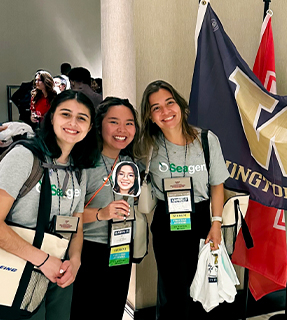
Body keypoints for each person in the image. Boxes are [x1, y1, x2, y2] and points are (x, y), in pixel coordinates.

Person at [0, 90, 100, 320]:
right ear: (52, 117)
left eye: (82, 118)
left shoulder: (79, 168)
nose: (73, 123)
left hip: (58, 274)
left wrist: (75, 261)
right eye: (66, 114)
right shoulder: (24, 156)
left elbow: (76, 226)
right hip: (16, 270)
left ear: (90, 126)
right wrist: (43, 260)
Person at [135, 80, 229, 319]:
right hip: (166, 223)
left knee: (203, 288)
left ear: (181, 105)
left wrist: (216, 223)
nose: (165, 112)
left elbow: (217, 185)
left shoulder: (207, 140)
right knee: (173, 291)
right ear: (150, 117)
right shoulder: (146, 146)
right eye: (156, 108)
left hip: (201, 222)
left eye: (169, 103)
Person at [70, 97, 139, 320]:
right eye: (114, 122)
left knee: (113, 311)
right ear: (99, 126)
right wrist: (102, 213)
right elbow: (68, 215)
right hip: (88, 249)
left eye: (129, 123)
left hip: (121, 248)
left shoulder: (132, 162)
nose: (122, 129)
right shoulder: (83, 163)